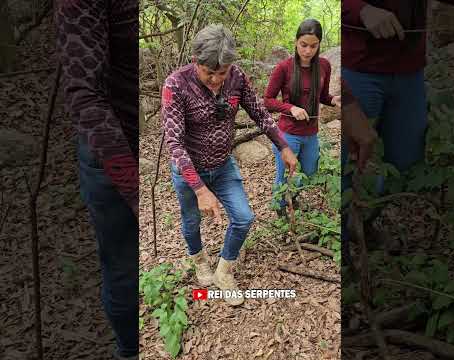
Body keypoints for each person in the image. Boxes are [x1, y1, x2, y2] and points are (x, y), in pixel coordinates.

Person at [161, 24, 297, 306]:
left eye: (220, 73)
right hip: (189, 170)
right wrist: (199, 189)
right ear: (195, 61)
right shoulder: (176, 84)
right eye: (208, 72)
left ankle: (224, 270)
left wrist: (283, 145)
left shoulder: (236, 77)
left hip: (223, 165)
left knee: (244, 217)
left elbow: (259, 112)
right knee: (191, 221)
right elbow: (174, 142)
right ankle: (199, 259)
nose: (214, 80)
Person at [341, 0, 454, 258]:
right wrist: (362, 10)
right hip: (358, 66)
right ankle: (341, 249)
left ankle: (363, 220)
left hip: (409, 70)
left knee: (405, 162)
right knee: (347, 160)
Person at [56, 1, 139, 359]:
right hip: (110, 153)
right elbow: (84, 93)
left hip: (145, 145)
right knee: (124, 269)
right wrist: (133, 186)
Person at [264, 19, 340, 216]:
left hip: (311, 134)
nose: (308, 51)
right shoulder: (284, 67)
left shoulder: (324, 65)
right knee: (283, 177)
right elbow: (268, 100)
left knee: (310, 174)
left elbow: (322, 96)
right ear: (296, 42)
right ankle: (280, 214)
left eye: (313, 46)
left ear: (319, 44)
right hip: (287, 134)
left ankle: (291, 197)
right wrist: (291, 108)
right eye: (303, 45)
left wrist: (334, 100)